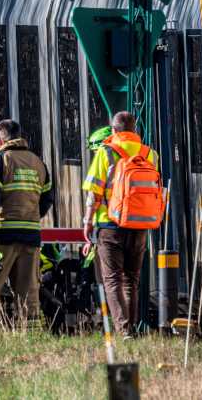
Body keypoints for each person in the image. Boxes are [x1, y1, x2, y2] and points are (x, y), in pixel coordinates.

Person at [81, 111, 159, 338]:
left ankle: (124, 330)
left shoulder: (106, 152)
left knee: (112, 279)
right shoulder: (149, 154)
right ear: (135, 130)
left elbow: (94, 192)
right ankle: (130, 327)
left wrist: (87, 222)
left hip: (110, 225)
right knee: (131, 280)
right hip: (140, 225)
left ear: (114, 130)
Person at [0, 120, 53, 332]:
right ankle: (30, 331)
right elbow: (47, 198)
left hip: (2, 234)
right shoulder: (38, 162)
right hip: (31, 234)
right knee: (28, 288)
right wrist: (32, 216)